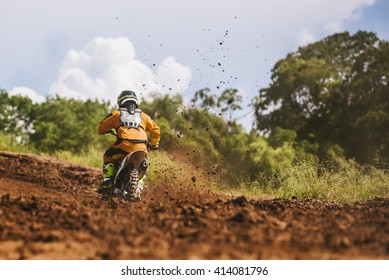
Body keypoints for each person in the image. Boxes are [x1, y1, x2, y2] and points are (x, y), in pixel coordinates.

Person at [97, 90, 160, 195]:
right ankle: (139, 187)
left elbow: (101, 129)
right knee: (143, 165)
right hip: (142, 147)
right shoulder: (143, 116)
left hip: (124, 146)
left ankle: (108, 181)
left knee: (108, 155)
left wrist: (106, 130)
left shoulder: (117, 113)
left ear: (121, 102)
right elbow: (156, 130)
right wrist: (154, 144)